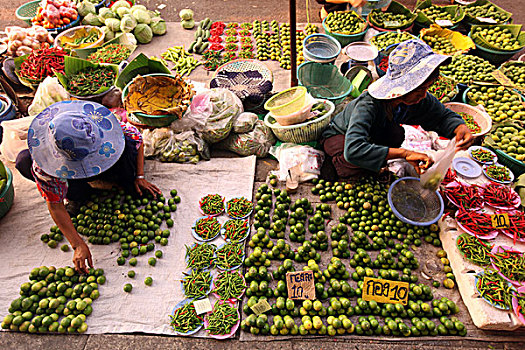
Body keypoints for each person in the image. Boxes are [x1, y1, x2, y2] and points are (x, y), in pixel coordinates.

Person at [15, 100, 161, 273]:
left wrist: (139, 176)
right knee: (23, 161)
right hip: (68, 173)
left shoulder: (104, 127)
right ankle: (79, 194)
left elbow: (138, 139)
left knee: (127, 166)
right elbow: (55, 206)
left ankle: (118, 180)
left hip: (108, 158)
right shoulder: (45, 164)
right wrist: (77, 244)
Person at [321, 39, 474, 178]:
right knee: (355, 163)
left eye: (427, 88)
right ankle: (335, 163)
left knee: (396, 135)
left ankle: (373, 155)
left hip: (373, 132)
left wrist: (458, 127)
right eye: (420, 89)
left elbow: (442, 115)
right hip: (339, 136)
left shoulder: (418, 99)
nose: (424, 95)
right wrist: (405, 154)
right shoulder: (368, 105)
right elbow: (354, 150)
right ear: (404, 88)